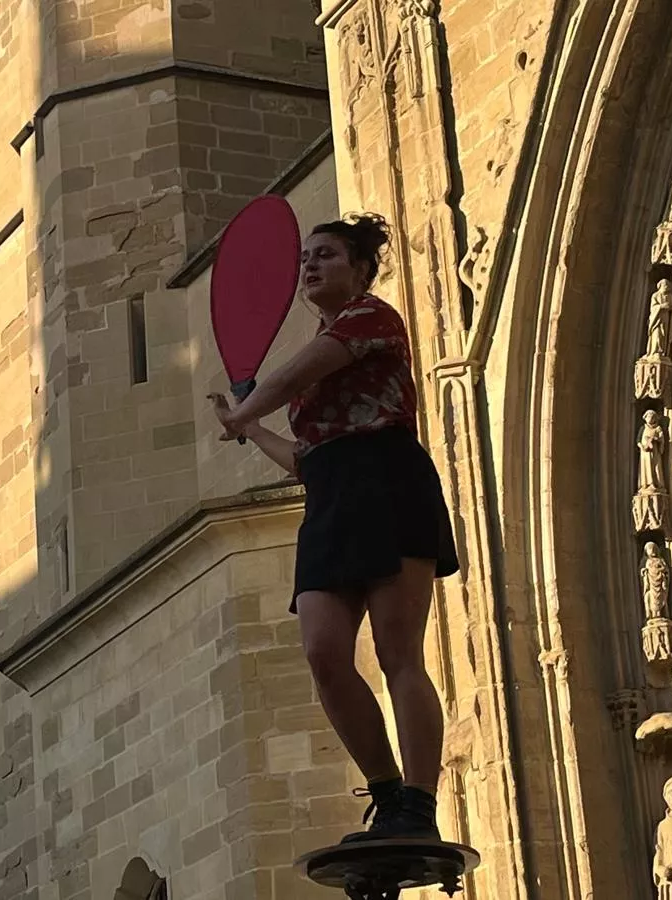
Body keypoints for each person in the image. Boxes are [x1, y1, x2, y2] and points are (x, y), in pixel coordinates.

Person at [208, 212, 459, 842]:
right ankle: (386, 790)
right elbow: (305, 456)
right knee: (324, 653)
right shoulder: (322, 348)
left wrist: (245, 406)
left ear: (361, 268)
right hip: (331, 491)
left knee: (398, 651)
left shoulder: (371, 319)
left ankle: (419, 806)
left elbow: (293, 375)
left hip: (387, 478)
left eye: (326, 255)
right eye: (305, 259)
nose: (311, 265)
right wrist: (249, 426)